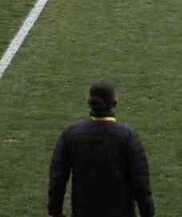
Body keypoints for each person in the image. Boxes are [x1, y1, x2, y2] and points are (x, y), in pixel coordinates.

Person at [47, 82, 154, 217]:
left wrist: (55, 210)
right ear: (114, 103)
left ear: (89, 102)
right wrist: (147, 212)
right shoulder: (127, 136)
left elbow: (58, 178)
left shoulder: (71, 133)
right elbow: (140, 182)